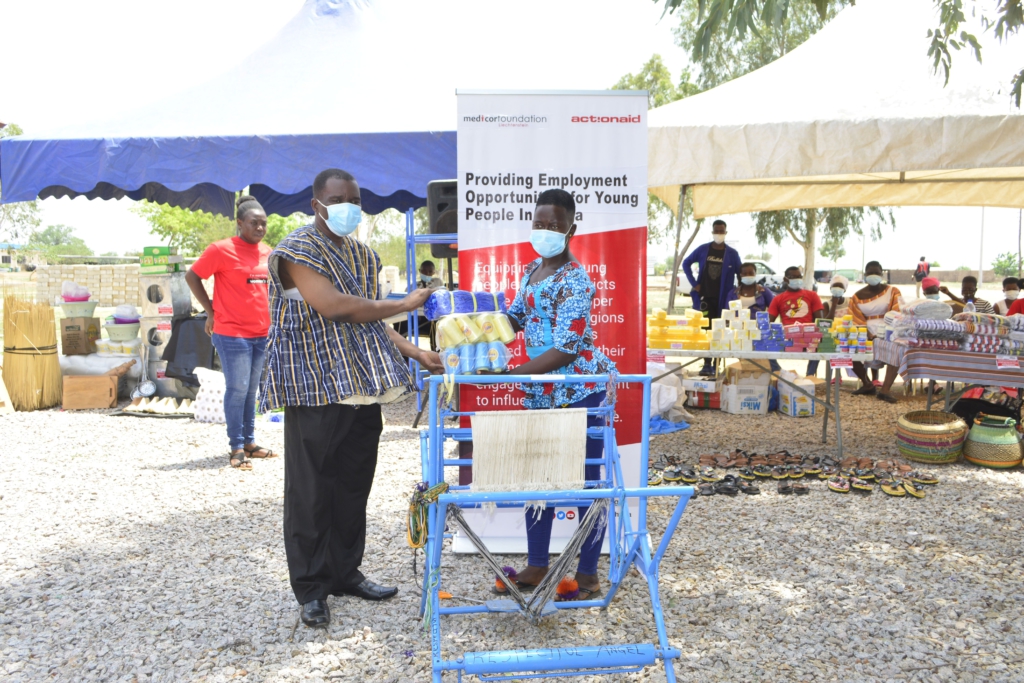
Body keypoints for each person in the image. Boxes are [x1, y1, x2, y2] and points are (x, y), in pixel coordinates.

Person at [259, 168, 442, 630]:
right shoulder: (295, 251)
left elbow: (370, 320)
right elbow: (335, 306)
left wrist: (416, 351)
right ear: (316, 202)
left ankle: (345, 572)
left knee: (352, 485)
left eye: (355, 199)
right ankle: (311, 588)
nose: (348, 206)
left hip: (362, 387)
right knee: (311, 490)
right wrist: (405, 304)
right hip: (315, 384)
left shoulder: (363, 255)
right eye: (339, 198)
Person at [494, 189, 616, 602]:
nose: (544, 231)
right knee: (537, 478)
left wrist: (511, 375)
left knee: (586, 483)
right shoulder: (532, 270)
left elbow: (566, 347)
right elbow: (514, 318)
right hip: (540, 394)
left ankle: (587, 574)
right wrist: (476, 333)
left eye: (553, 225)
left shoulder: (576, 281)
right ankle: (537, 563)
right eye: (539, 224)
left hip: (579, 390)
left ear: (571, 229)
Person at [185, 194, 273, 470]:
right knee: (237, 388)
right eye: (254, 223)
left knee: (251, 391)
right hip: (231, 332)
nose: (259, 228)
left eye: (263, 224)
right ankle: (236, 447)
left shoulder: (268, 252)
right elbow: (192, 276)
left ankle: (249, 441)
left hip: (262, 332)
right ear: (240, 223)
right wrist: (210, 311)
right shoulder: (221, 250)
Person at [682, 219, 742, 376]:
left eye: (722, 231)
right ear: (712, 232)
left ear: (726, 233)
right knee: (705, 329)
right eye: (717, 231)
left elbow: (740, 273)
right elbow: (686, 263)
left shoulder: (732, 254)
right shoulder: (703, 250)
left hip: (723, 300)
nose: (719, 234)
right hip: (705, 299)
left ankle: (716, 364)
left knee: (719, 331)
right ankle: (706, 363)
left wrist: (739, 291)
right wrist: (695, 284)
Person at [848, 261, 902, 402]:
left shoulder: (893, 290)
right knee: (848, 350)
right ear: (865, 274)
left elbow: (897, 312)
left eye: (876, 273)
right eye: (870, 273)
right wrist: (869, 335)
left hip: (889, 330)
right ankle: (867, 384)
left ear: (882, 273)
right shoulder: (856, 296)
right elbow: (855, 319)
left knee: (897, 351)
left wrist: (885, 332)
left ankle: (885, 390)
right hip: (865, 332)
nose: (873, 275)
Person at [725, 262, 779, 371]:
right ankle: (750, 376)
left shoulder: (764, 291)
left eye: (751, 273)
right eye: (745, 273)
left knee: (769, 358)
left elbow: (774, 307)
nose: (748, 275)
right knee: (747, 362)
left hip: (759, 331)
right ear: (740, 275)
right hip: (739, 331)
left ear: (755, 274)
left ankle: (776, 375)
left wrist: (766, 323)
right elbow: (727, 312)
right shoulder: (733, 293)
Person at [807, 274, 851, 378]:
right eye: (835, 286)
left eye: (840, 287)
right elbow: (826, 323)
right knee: (818, 346)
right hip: (830, 336)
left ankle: (837, 375)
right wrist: (834, 305)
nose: (837, 289)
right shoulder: (827, 304)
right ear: (830, 288)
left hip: (846, 335)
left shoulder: (850, 302)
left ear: (845, 289)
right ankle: (810, 374)